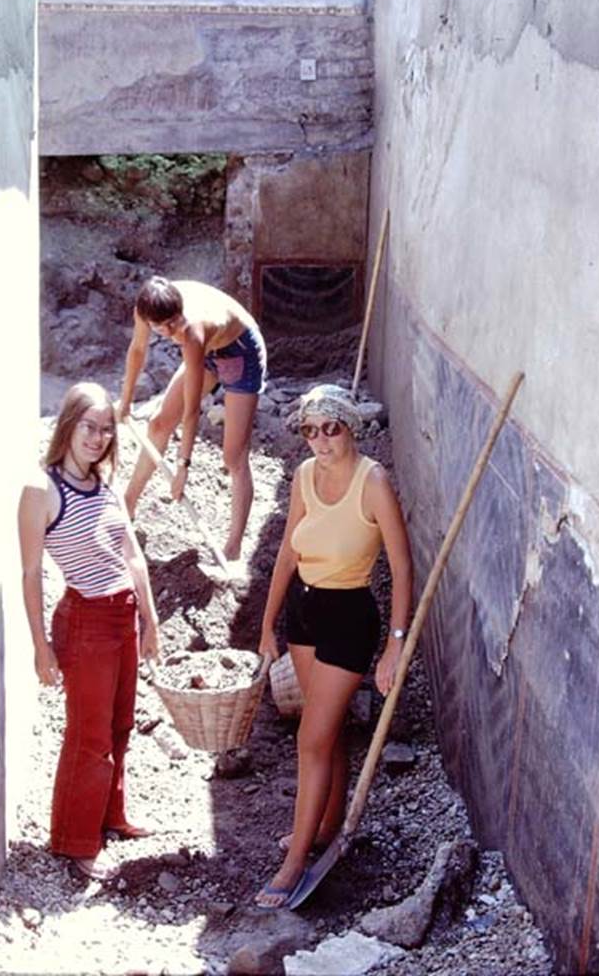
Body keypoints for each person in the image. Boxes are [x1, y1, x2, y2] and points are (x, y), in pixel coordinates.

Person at [256, 383, 413, 909]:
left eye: (331, 428)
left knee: (311, 737)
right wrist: (268, 621)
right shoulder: (304, 475)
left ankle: (295, 861)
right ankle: (325, 830)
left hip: (350, 616)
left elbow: (403, 564)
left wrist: (395, 646)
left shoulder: (374, 483)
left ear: (350, 427)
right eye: (310, 430)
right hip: (304, 609)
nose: (321, 441)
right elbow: (286, 551)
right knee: (327, 731)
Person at [18, 381, 160, 881]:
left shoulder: (106, 485)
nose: (98, 438)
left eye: (106, 430)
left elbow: (132, 554)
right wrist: (41, 648)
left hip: (123, 618)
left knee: (121, 727)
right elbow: (31, 573)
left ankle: (110, 817)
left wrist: (151, 617)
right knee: (89, 735)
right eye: (89, 427)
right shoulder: (42, 489)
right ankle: (74, 842)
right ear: (68, 425)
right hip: (85, 623)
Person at [118, 276, 267, 562]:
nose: (174, 330)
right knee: (158, 423)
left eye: (176, 320)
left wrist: (183, 465)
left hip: (240, 351)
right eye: (167, 327)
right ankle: (128, 506)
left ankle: (232, 550)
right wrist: (125, 401)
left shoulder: (192, 330)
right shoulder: (145, 307)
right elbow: (137, 350)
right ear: (151, 320)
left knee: (234, 457)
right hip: (209, 351)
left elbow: (191, 409)